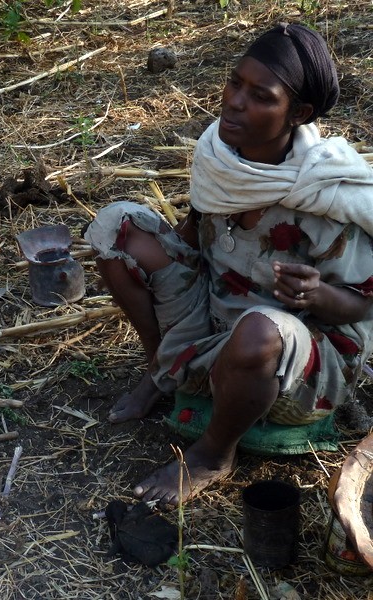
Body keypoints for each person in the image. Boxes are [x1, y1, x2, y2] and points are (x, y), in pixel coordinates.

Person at [84, 23, 373, 505]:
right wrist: (162, 275)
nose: (235, 101)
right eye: (235, 82)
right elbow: (194, 235)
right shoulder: (220, 157)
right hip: (217, 316)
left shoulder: (327, 194)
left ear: (297, 114)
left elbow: (362, 306)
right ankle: (162, 368)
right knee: (120, 227)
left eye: (261, 95)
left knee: (259, 331)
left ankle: (213, 454)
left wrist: (318, 295)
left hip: (296, 359)